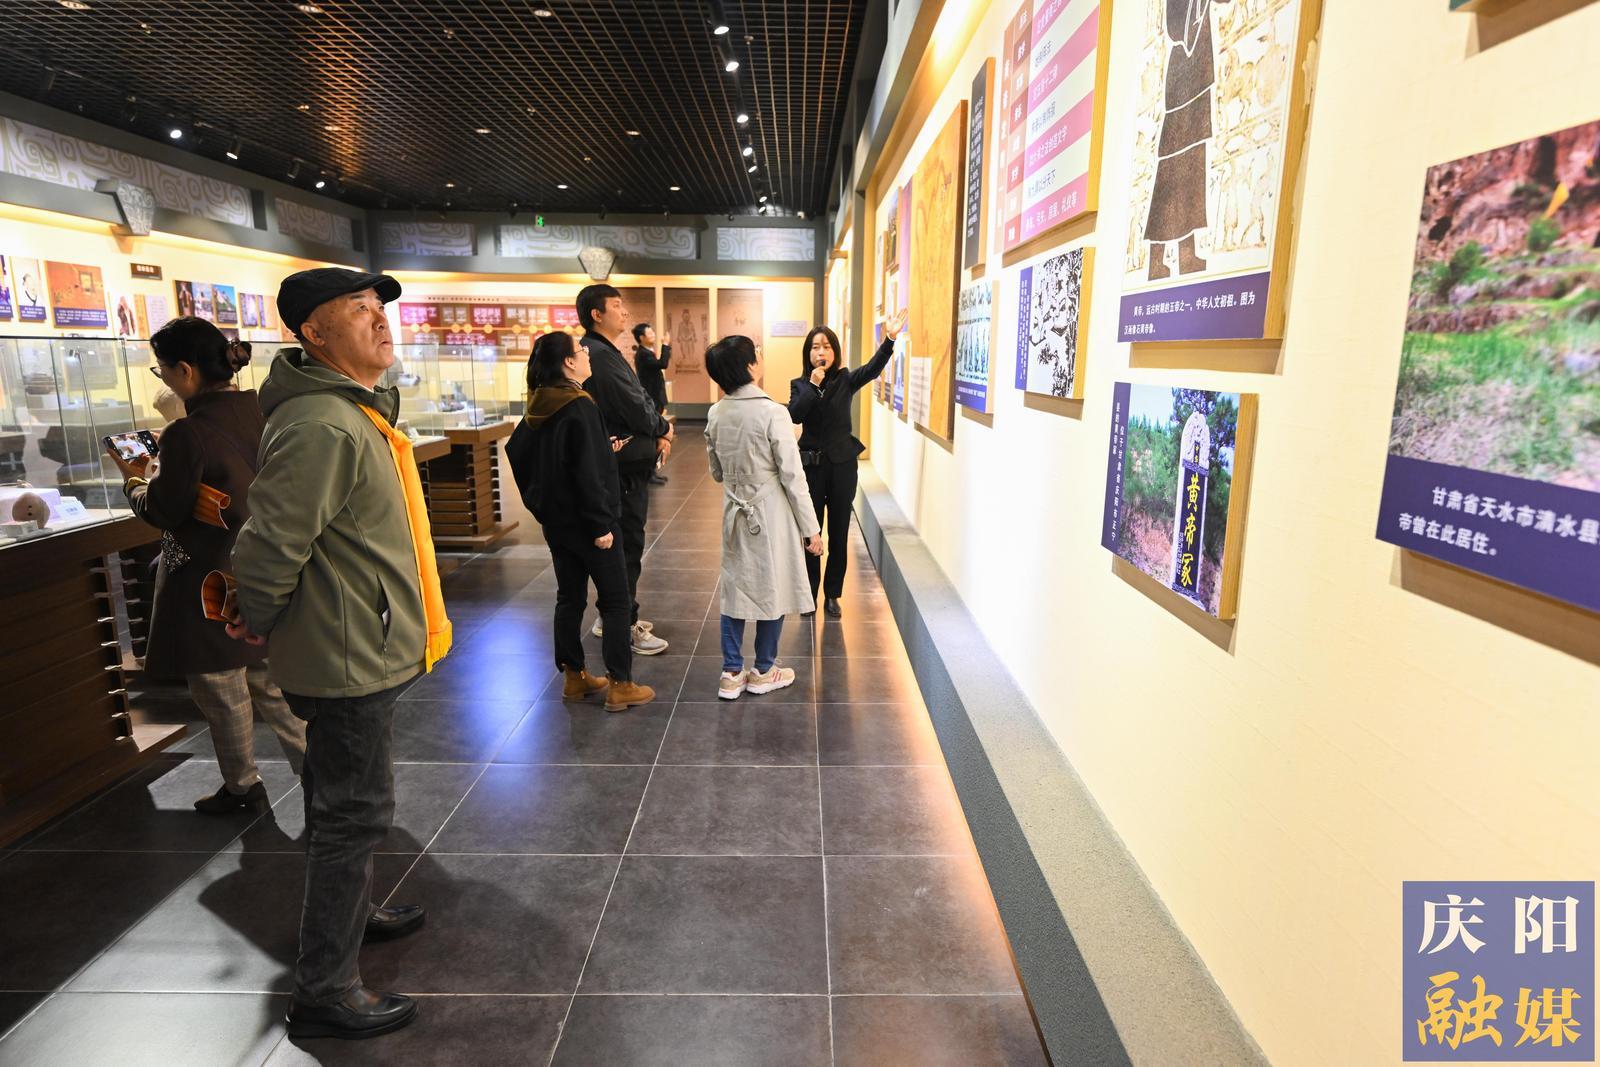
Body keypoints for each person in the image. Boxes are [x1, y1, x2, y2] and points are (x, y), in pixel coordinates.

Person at [229, 268, 451, 1041]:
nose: (381, 321)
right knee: (351, 814)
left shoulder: (351, 410)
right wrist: (257, 616)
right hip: (345, 651)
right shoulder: (324, 422)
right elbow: (269, 541)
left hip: (359, 640)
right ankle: (326, 987)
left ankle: (355, 912)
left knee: (342, 798)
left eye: (380, 308)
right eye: (359, 311)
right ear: (314, 333)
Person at [106, 318, 306, 814]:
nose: (165, 380)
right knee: (274, 685)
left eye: (162, 370)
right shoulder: (266, 411)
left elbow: (164, 510)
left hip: (208, 578)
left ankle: (242, 784)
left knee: (219, 686)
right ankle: (321, 776)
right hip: (267, 567)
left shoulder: (186, 433)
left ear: (186, 370)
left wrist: (135, 482)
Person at [507, 331, 654, 711]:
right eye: (580, 350)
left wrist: (541, 505)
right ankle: (621, 683)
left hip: (558, 525)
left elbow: (526, 455)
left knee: (569, 597)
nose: (587, 353)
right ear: (568, 363)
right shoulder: (579, 405)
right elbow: (588, 474)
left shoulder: (540, 403)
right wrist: (601, 525)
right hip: (592, 525)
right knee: (616, 601)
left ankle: (574, 676)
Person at [704, 335, 823, 700]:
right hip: (770, 511)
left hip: (735, 511)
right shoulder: (774, 413)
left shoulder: (716, 413)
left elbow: (717, 473)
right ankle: (764, 669)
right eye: (756, 353)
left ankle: (731, 672)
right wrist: (811, 529)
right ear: (749, 366)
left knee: (734, 588)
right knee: (773, 584)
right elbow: (793, 477)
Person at [787, 310, 907, 617]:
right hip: (811, 468)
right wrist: (812, 385)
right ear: (808, 353)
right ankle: (808, 594)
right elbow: (794, 415)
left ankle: (833, 594)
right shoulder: (800, 385)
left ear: (835, 351)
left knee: (839, 532)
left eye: (826, 346)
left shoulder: (845, 380)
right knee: (810, 531)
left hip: (842, 467)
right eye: (816, 347)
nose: (821, 352)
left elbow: (872, 369)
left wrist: (889, 339)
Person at [577, 283, 674, 655]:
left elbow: (640, 396)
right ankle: (624, 623)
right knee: (626, 545)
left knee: (626, 543)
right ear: (596, 314)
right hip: (621, 467)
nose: (625, 312)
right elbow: (633, 404)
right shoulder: (599, 355)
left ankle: (611, 617)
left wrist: (658, 428)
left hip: (627, 462)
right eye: (616, 305)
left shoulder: (607, 352)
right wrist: (662, 427)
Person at [631, 322, 673, 485]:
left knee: (655, 436)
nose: (653, 335)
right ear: (641, 338)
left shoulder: (647, 352)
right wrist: (665, 345)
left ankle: (652, 471)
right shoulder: (643, 354)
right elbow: (663, 364)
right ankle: (650, 473)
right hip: (651, 399)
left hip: (655, 398)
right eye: (649, 333)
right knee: (653, 435)